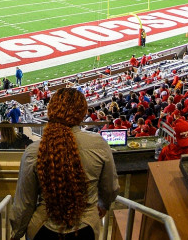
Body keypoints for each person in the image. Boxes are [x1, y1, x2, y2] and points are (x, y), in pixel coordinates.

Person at [10, 87, 118, 239]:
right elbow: (110, 188)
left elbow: (24, 203)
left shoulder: (34, 151)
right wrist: (103, 205)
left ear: (51, 111)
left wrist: (15, 234)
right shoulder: (99, 144)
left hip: (42, 229)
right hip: (86, 228)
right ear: (82, 113)